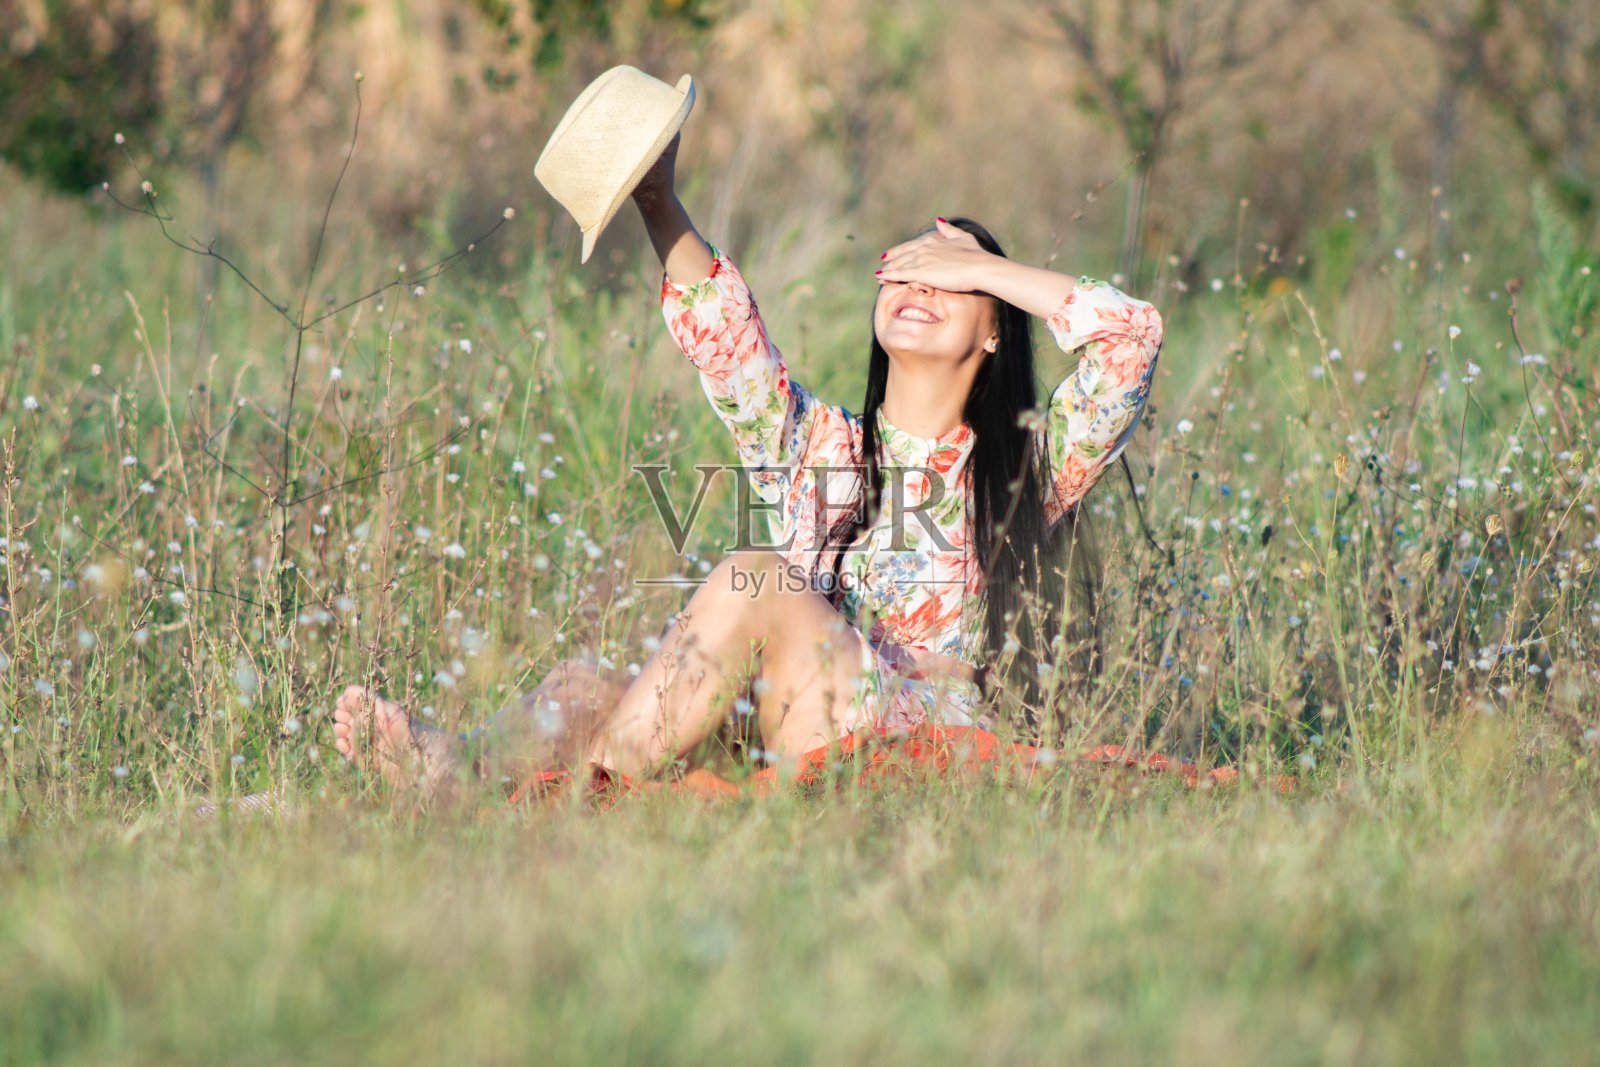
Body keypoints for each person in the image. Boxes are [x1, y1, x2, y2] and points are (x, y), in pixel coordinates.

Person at [331, 133, 1163, 803]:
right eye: (908, 268)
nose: (921, 282)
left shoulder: (1028, 466)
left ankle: (582, 801)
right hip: (784, 717)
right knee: (585, 687)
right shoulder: (818, 445)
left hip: (909, 738)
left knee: (756, 578)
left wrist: (979, 266)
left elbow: (1132, 338)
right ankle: (460, 768)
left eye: (947, 279)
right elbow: (727, 343)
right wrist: (657, 201)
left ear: (995, 328)